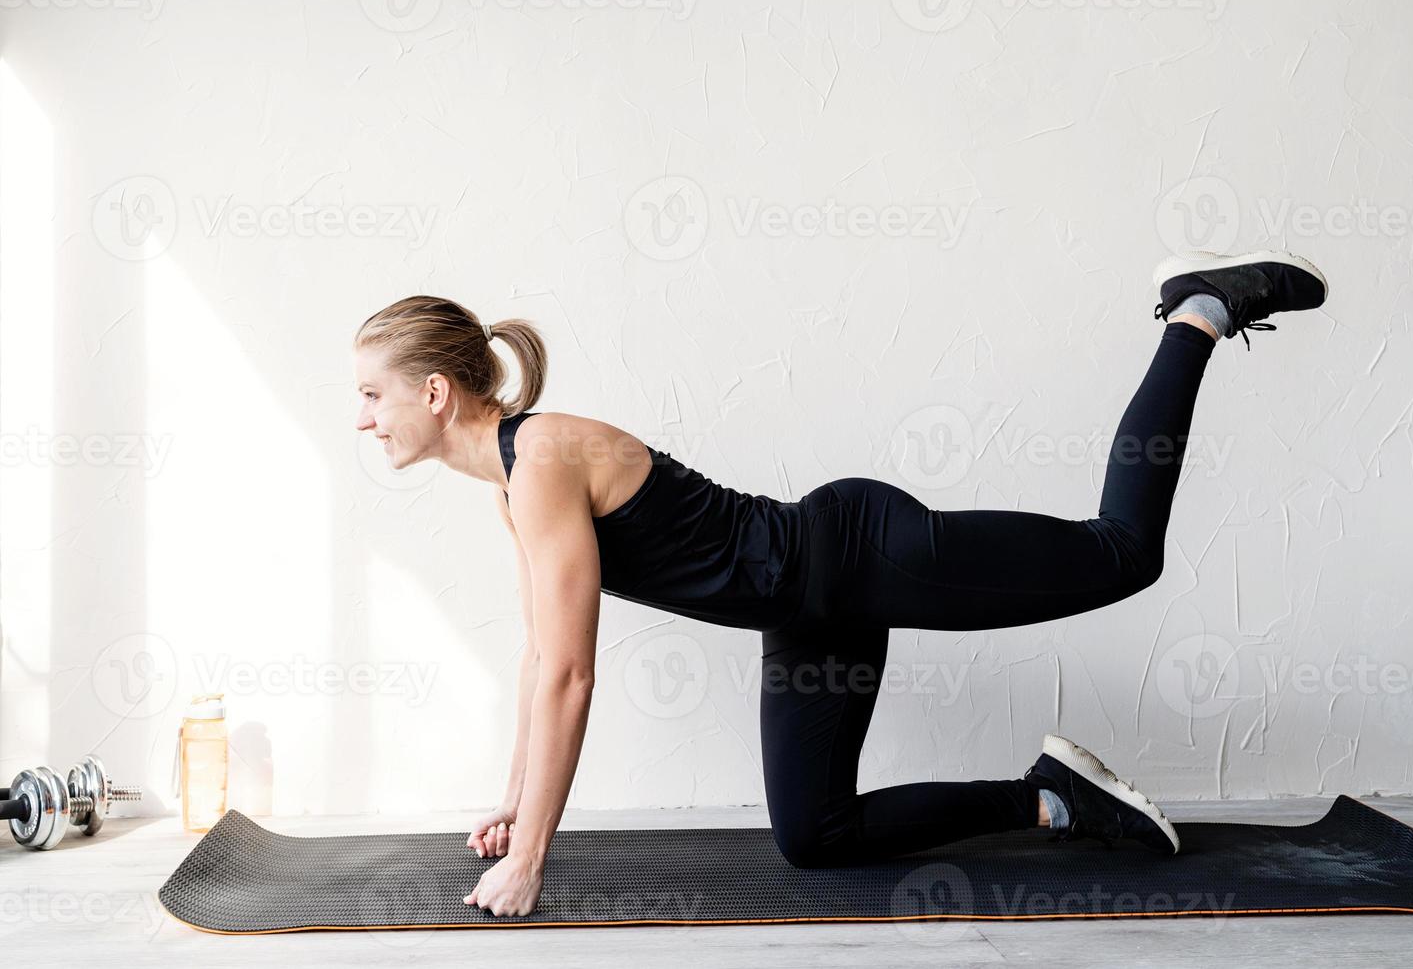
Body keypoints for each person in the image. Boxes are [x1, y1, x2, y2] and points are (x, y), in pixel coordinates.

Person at [352, 248, 1328, 916]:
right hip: (809, 611)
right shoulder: (514, 488)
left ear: (433, 392)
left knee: (1122, 548)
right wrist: (514, 803)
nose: (363, 418)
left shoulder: (545, 462)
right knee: (814, 835)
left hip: (858, 553)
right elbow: (536, 658)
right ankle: (1048, 798)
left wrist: (530, 860)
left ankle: (1196, 312)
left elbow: (571, 675)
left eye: (371, 394)